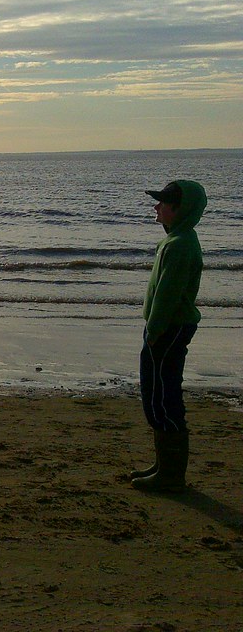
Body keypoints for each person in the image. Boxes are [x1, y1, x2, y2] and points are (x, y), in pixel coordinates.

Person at [130, 179, 206, 493]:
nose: (157, 207)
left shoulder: (180, 245)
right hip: (165, 327)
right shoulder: (177, 239)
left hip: (169, 328)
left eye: (163, 203)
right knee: (158, 394)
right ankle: (165, 464)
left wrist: (155, 331)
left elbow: (168, 294)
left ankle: (172, 474)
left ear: (179, 209)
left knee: (162, 395)